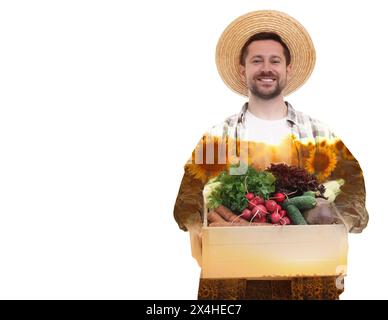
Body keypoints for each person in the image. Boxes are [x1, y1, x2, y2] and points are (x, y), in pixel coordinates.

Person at [173, 10, 368, 300]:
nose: (267, 68)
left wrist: (334, 228)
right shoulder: (220, 137)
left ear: (288, 69)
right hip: (234, 281)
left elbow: (353, 189)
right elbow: (188, 196)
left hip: (307, 277)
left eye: (275, 61)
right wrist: (199, 228)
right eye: (257, 60)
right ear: (243, 71)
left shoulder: (317, 135)